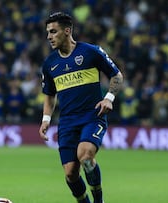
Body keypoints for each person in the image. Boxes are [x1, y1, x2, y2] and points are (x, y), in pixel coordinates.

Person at [39, 12, 123, 203]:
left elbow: (117, 75)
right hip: (67, 122)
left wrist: (109, 98)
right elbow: (49, 96)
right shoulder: (49, 64)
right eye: (48, 33)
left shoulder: (91, 52)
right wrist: (46, 120)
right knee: (70, 174)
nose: (49, 37)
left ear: (67, 31)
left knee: (85, 155)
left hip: (92, 116)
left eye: (53, 31)